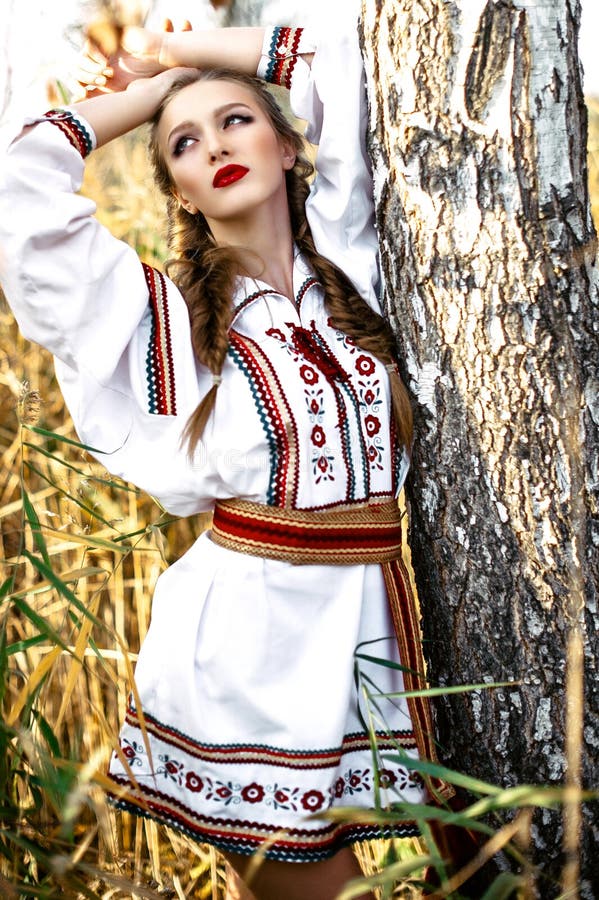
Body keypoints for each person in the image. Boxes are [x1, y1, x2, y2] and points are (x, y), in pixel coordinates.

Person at [0, 22, 453, 900]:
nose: (215, 145)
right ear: (176, 185)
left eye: (237, 121)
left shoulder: (354, 261)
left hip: (376, 634)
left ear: (286, 147)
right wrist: (137, 100)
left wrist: (185, 55)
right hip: (249, 653)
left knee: (493, 859)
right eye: (184, 143)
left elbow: (342, 60)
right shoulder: (160, 321)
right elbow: (18, 192)